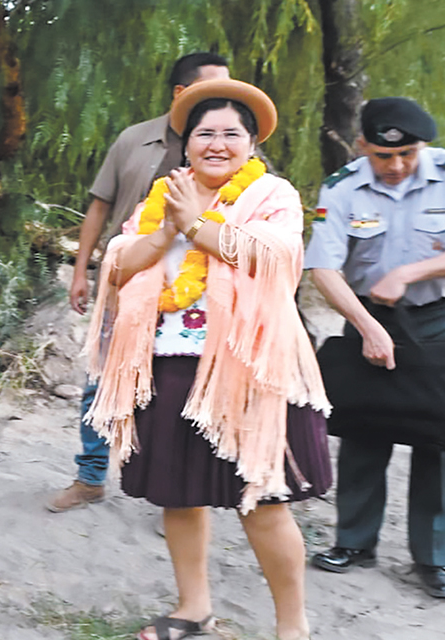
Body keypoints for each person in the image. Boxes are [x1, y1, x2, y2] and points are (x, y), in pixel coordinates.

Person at [83, 79, 331, 640]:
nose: (216, 143)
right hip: (170, 360)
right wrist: (169, 225)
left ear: (252, 143)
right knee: (177, 494)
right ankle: (193, 609)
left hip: (250, 369)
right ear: (186, 142)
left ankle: (293, 626)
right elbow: (121, 261)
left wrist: (198, 223)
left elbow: (273, 257)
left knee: (261, 502)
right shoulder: (162, 194)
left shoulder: (273, 195)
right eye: (204, 133)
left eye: (230, 134)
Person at [49, 52, 229, 512]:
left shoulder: (228, 146)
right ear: (180, 93)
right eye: (213, 88)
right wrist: (81, 271)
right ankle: (90, 476)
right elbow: (99, 206)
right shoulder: (134, 140)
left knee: (182, 384)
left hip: (199, 296)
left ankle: (182, 492)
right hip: (128, 280)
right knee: (101, 382)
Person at [305, 97, 445, 599]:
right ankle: (354, 542)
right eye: (384, 156)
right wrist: (364, 325)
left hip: (437, 318)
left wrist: (411, 271)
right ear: (362, 145)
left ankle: (434, 557)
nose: (396, 166)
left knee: (438, 435)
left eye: (407, 154)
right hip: (366, 315)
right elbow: (322, 266)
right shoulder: (342, 188)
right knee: (364, 429)